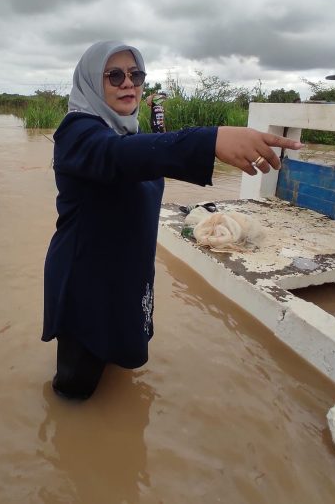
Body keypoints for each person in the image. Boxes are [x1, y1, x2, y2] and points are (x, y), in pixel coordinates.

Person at [42, 40, 302, 401]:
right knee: (76, 388)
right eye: (114, 75)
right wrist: (210, 138)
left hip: (125, 274)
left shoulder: (127, 132)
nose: (128, 83)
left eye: (136, 74)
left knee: (116, 355)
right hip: (87, 277)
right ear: (90, 81)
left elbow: (144, 156)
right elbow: (117, 158)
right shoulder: (78, 134)